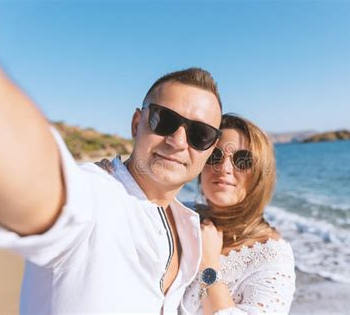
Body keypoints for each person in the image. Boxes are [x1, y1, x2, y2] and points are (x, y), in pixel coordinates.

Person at [0, 5, 222, 314]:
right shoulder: (95, 197)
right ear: (137, 123)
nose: (178, 141)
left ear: (209, 149)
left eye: (199, 134)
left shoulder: (187, 225)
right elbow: (16, 162)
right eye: (164, 120)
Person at [97, 114, 296, 314]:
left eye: (242, 160)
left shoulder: (272, 257)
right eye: (215, 156)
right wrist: (109, 181)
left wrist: (209, 267)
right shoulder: (178, 214)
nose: (224, 168)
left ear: (261, 173)